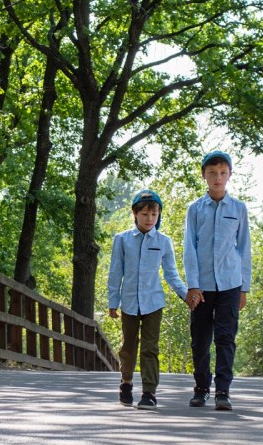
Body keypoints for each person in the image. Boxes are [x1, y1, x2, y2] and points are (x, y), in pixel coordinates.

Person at [106, 188, 190, 410]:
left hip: (154, 302)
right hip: (130, 303)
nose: (149, 219)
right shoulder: (122, 240)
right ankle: (126, 382)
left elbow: (171, 274)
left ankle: (149, 393)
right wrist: (113, 302)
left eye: (154, 214)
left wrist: (186, 295)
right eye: (144, 214)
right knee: (129, 347)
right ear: (135, 213)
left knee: (150, 348)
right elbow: (116, 272)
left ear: (159, 215)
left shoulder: (164, 241)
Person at [182, 151, 251, 411]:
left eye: (223, 173)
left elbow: (244, 248)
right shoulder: (195, 209)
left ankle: (223, 391)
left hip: (231, 284)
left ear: (230, 175)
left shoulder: (239, 209)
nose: (218, 178)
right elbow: (189, 247)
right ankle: (201, 388)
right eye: (212, 173)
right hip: (202, 286)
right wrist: (192, 284)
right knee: (200, 339)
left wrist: (244, 287)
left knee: (225, 338)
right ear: (204, 175)